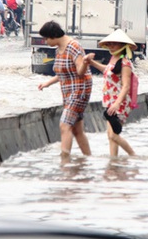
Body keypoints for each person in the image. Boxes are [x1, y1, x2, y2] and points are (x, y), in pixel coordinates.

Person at [37, 21, 92, 161]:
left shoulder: (74, 47)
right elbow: (63, 72)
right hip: (67, 91)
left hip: (80, 90)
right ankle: (88, 158)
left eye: (46, 38)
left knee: (64, 124)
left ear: (54, 36)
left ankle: (65, 160)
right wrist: (47, 83)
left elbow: (80, 71)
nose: (45, 41)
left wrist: (85, 62)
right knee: (77, 129)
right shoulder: (58, 49)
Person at [84, 29, 137, 157]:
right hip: (110, 100)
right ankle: (113, 160)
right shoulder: (114, 59)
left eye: (115, 44)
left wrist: (116, 104)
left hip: (120, 102)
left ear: (122, 45)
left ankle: (133, 156)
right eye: (110, 44)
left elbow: (126, 86)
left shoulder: (125, 63)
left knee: (113, 135)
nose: (111, 46)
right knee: (111, 135)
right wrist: (91, 63)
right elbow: (107, 70)